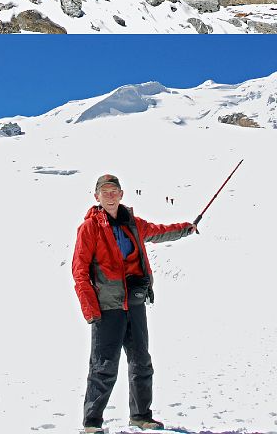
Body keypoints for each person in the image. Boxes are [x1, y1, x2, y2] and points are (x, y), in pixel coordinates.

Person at [72, 174, 197, 432]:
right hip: (107, 308)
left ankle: (141, 416)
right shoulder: (89, 228)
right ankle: (92, 422)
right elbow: (80, 271)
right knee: (103, 366)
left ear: (121, 194)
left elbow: (159, 232)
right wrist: (91, 310)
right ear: (96, 197)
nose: (109, 195)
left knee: (141, 362)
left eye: (113, 190)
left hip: (135, 304)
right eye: (104, 191)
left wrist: (187, 227)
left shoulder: (133, 223)